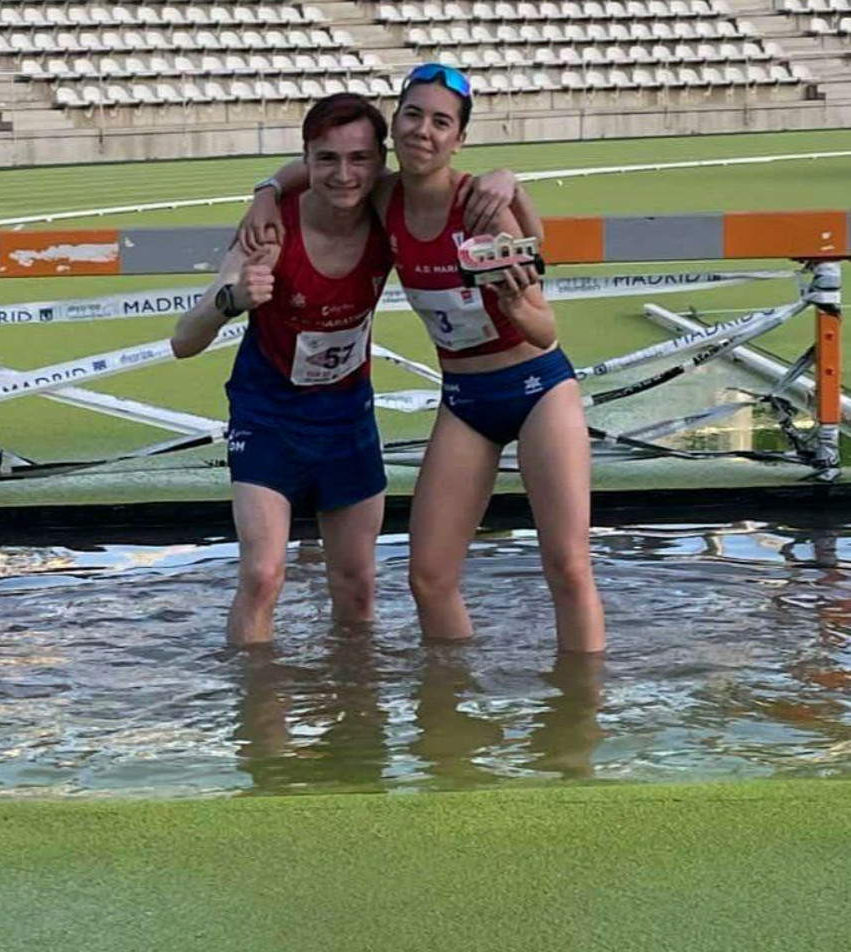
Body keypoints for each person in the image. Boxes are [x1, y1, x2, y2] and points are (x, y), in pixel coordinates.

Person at [240, 63, 605, 654]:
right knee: (428, 578)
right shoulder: (383, 197)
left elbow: (545, 329)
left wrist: (514, 294)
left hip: (537, 386)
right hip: (465, 401)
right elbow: (313, 167)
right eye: (413, 116)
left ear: (458, 139)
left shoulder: (483, 209)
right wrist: (266, 191)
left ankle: (578, 723)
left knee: (567, 566)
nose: (423, 131)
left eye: (441, 122)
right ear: (395, 126)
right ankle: (449, 713)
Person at [171, 93, 392, 647]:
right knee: (263, 575)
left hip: (346, 417)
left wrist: (267, 185)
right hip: (268, 415)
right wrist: (233, 300)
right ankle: (256, 723)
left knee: (358, 585)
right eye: (327, 160)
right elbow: (183, 341)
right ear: (308, 160)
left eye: (360, 159)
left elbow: (448, 188)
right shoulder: (269, 235)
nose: (344, 175)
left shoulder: (389, 210)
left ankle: (358, 709)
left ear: (380, 162)